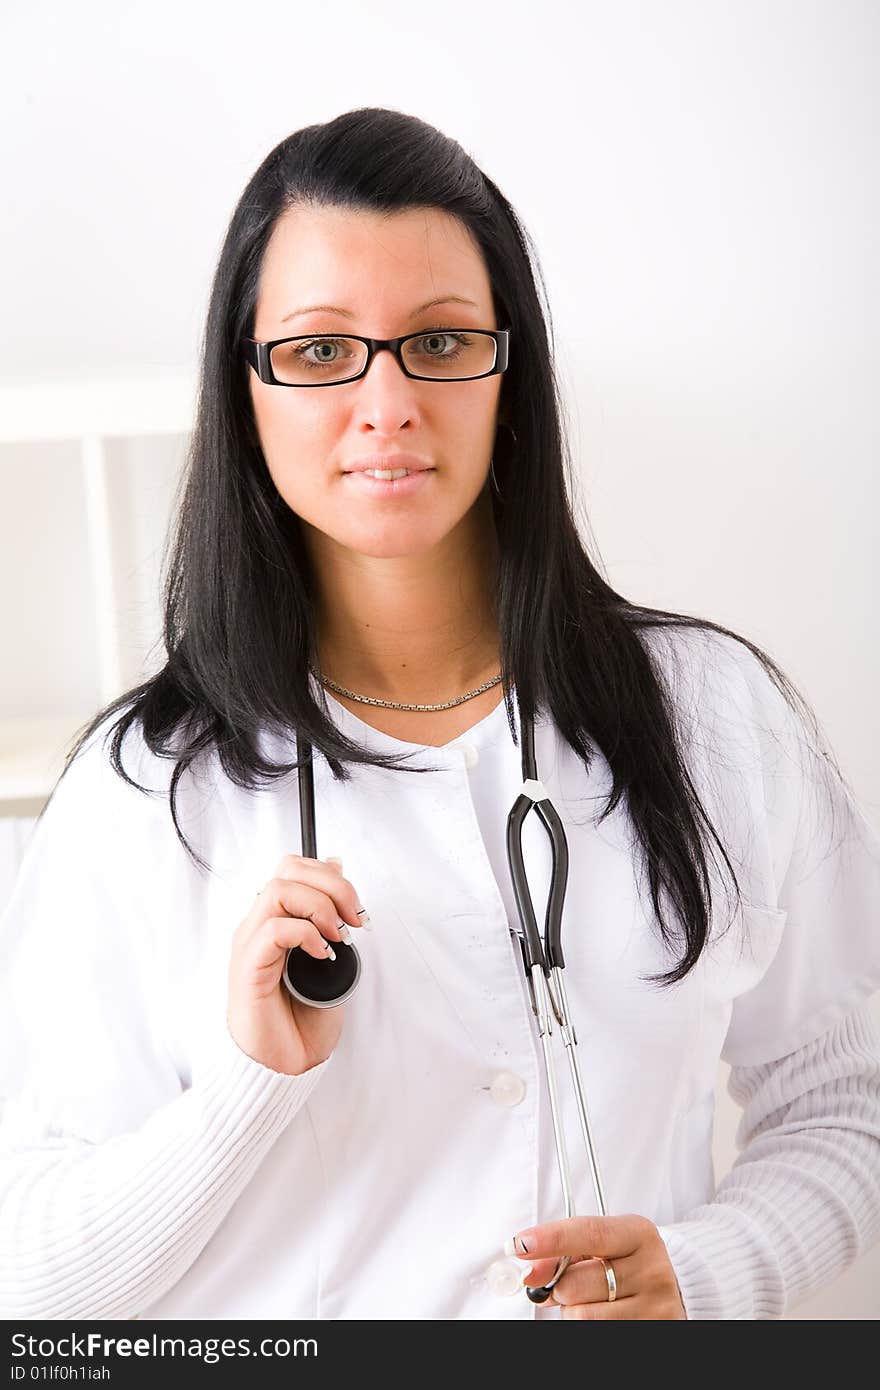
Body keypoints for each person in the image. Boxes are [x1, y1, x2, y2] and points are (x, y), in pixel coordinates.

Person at [1, 106, 879, 1323]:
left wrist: (714, 1271)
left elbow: (846, 1103)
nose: (387, 400)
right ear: (245, 391)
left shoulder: (716, 718)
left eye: (441, 342)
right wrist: (253, 1083)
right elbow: (36, 1280)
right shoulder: (143, 791)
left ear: (508, 375)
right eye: (318, 353)